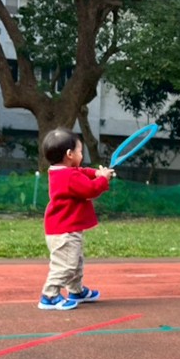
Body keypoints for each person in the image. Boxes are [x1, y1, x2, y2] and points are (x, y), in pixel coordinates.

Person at [37, 128, 114, 310]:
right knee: (66, 266)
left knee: (75, 262)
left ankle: (76, 291)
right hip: (65, 231)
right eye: (80, 151)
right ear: (69, 154)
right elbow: (90, 190)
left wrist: (95, 173)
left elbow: (81, 171)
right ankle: (49, 296)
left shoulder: (60, 171)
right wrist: (103, 179)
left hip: (64, 228)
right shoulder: (69, 176)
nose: (81, 154)